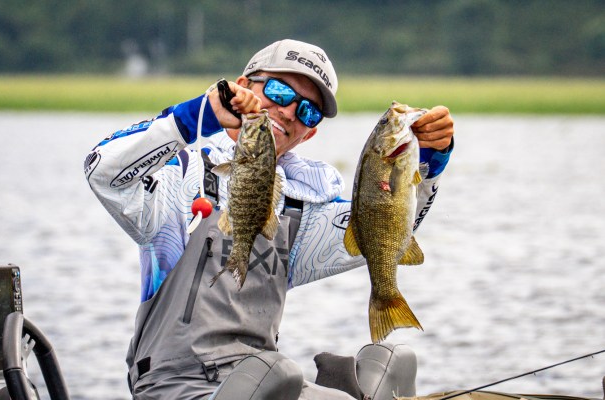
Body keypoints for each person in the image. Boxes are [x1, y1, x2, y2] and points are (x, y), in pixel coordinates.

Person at [84, 39, 454, 400]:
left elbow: (384, 227)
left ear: (309, 133)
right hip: (177, 385)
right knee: (279, 371)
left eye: (308, 111)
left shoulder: (301, 208)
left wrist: (426, 162)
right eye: (279, 91)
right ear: (243, 87)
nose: (290, 111)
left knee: (389, 362)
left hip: (266, 381)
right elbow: (102, 171)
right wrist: (196, 115)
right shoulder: (180, 174)